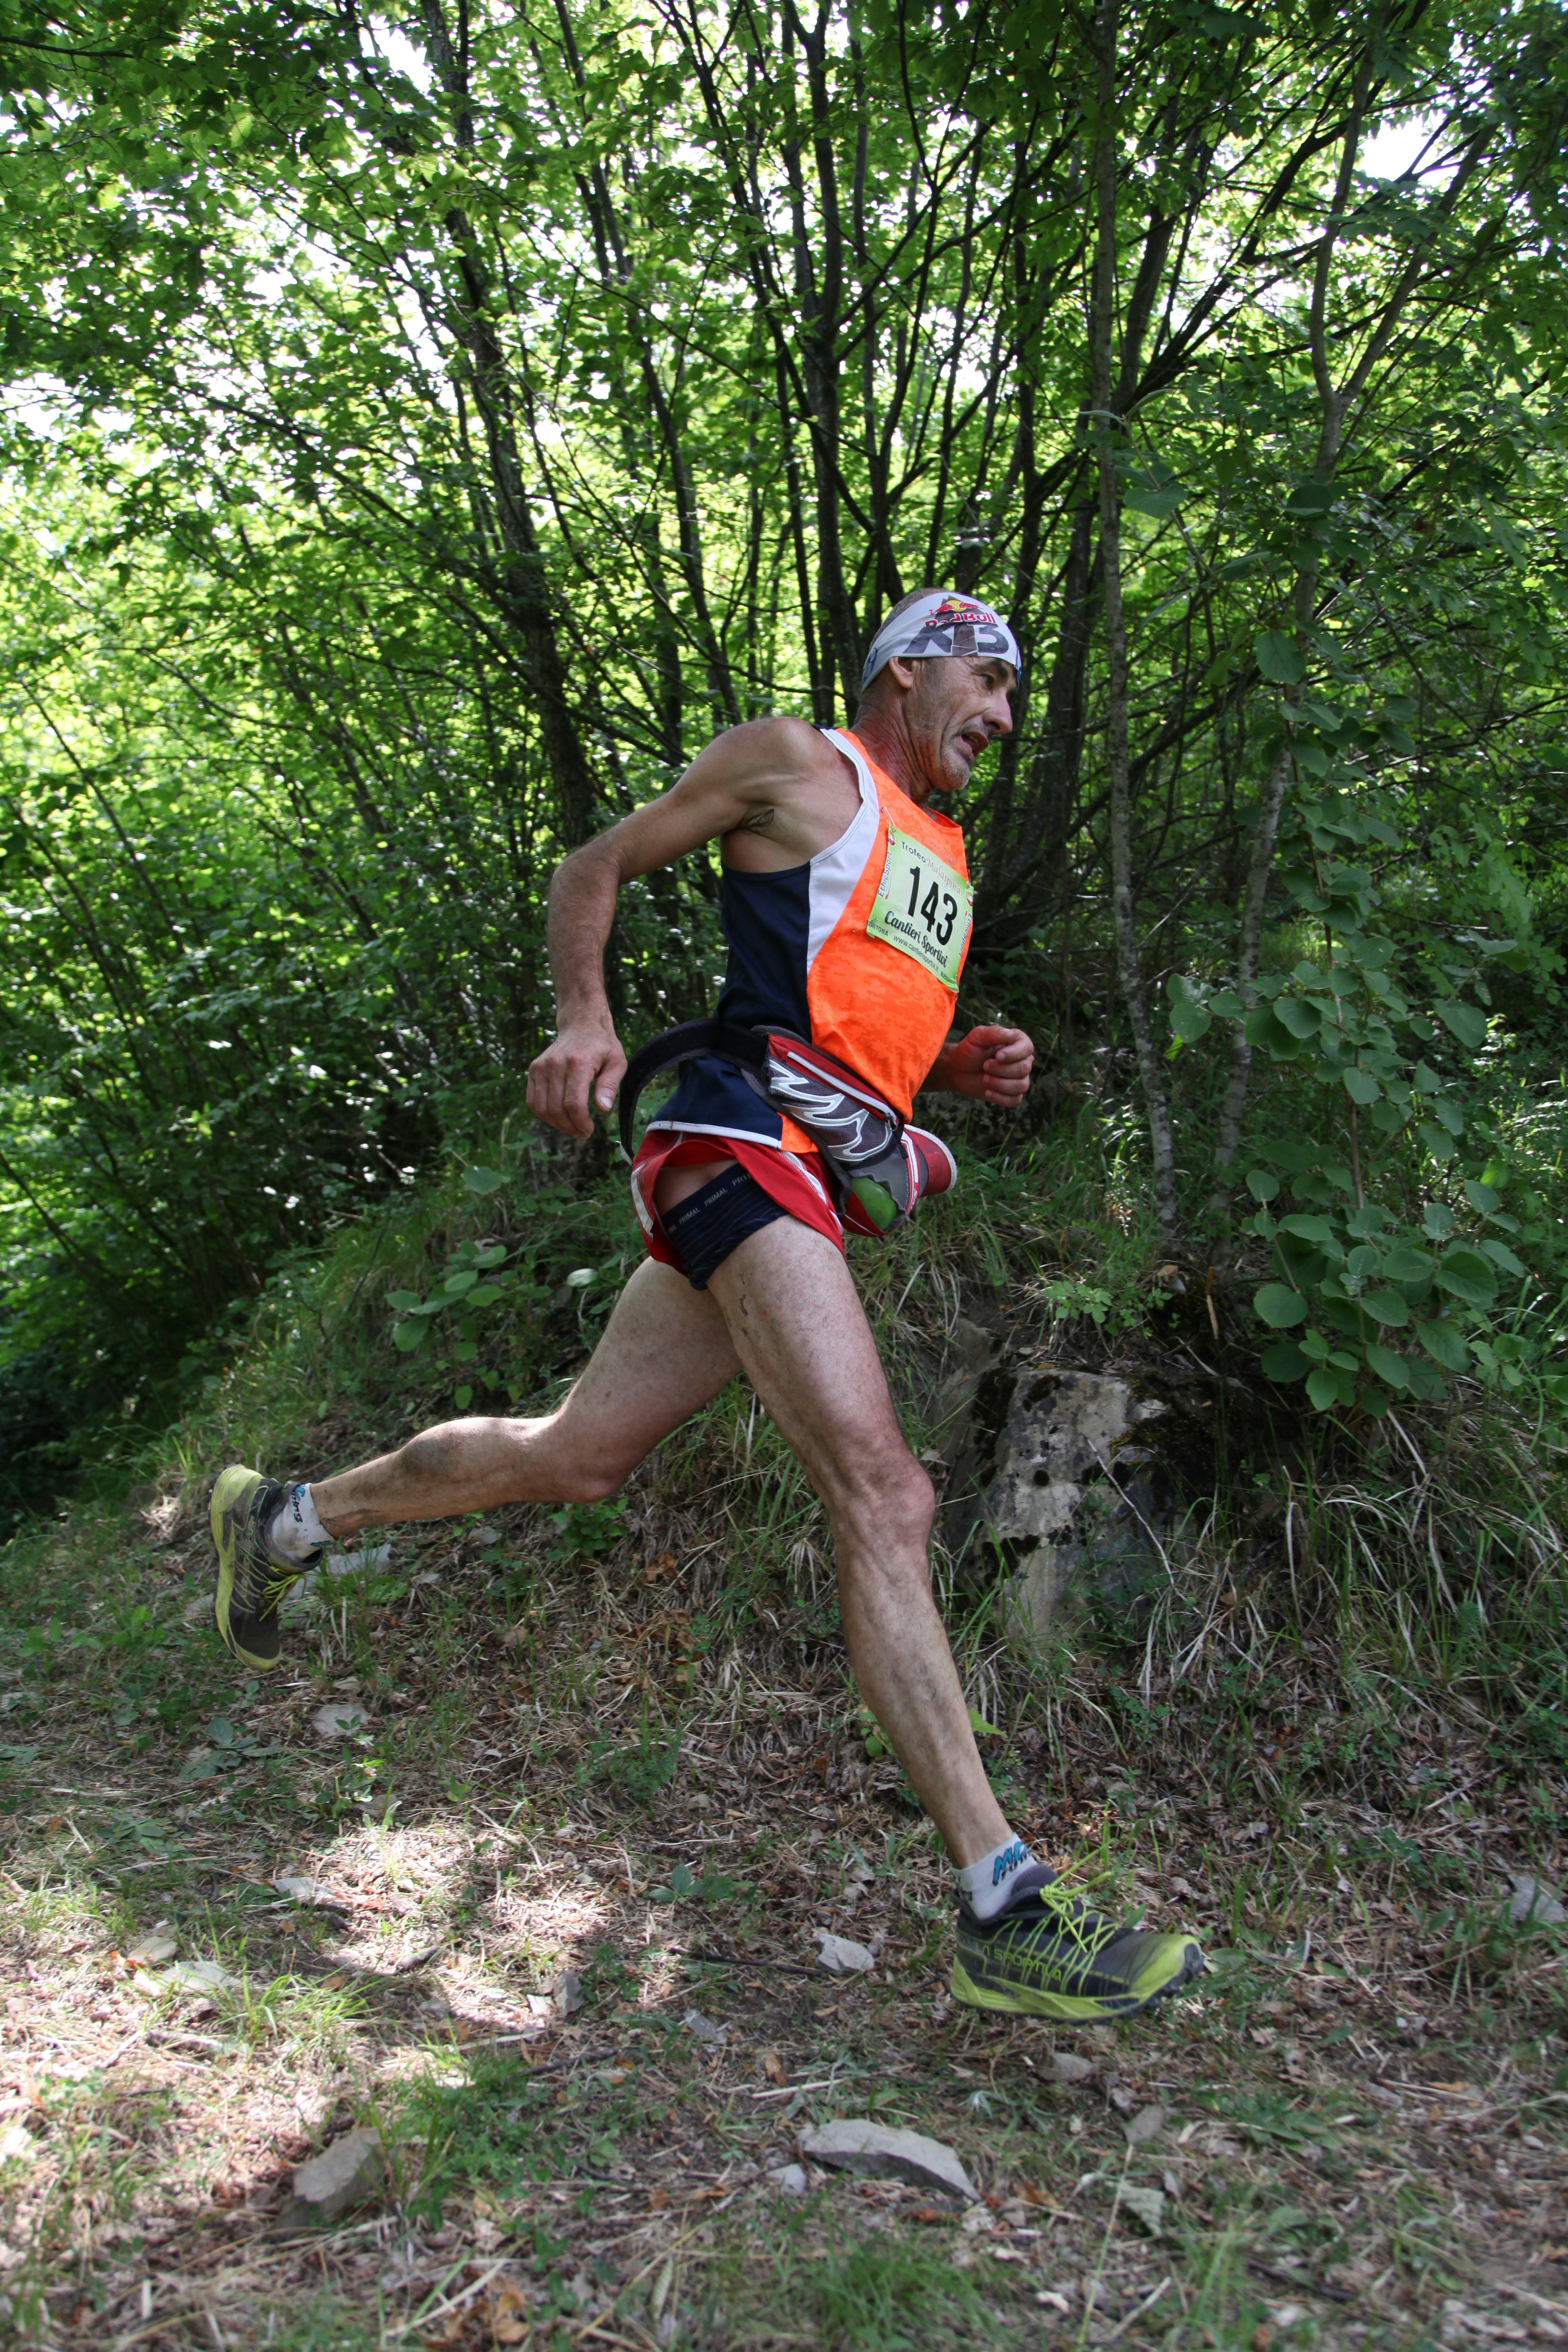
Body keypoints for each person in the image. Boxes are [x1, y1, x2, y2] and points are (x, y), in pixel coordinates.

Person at [207, 588, 1202, 2022]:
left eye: (1010, 697)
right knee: (886, 1490)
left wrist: (957, 1065)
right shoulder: (801, 763)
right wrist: (584, 1015)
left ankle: (287, 1519)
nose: (1000, 715)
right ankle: (1008, 1901)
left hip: (803, 1163)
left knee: (577, 1454)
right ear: (908, 670)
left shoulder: (941, 852)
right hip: (737, 1145)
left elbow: (840, 1024)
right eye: (985, 681)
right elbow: (595, 863)